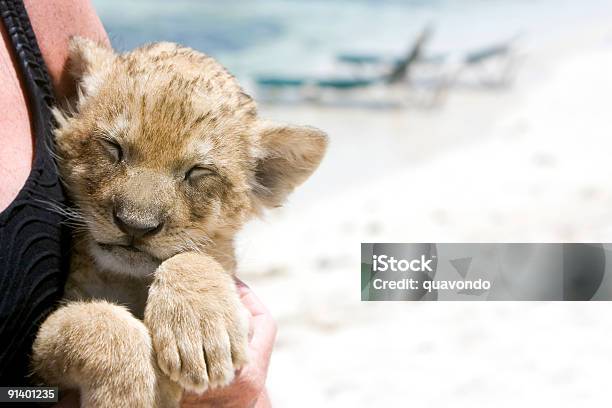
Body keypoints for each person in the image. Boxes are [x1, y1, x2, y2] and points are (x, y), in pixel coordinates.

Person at [0, 1, 276, 406]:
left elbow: (245, 387)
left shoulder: (42, 17)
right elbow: (27, 391)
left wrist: (196, 276)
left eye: (197, 175)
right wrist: (99, 354)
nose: (137, 216)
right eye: (113, 150)